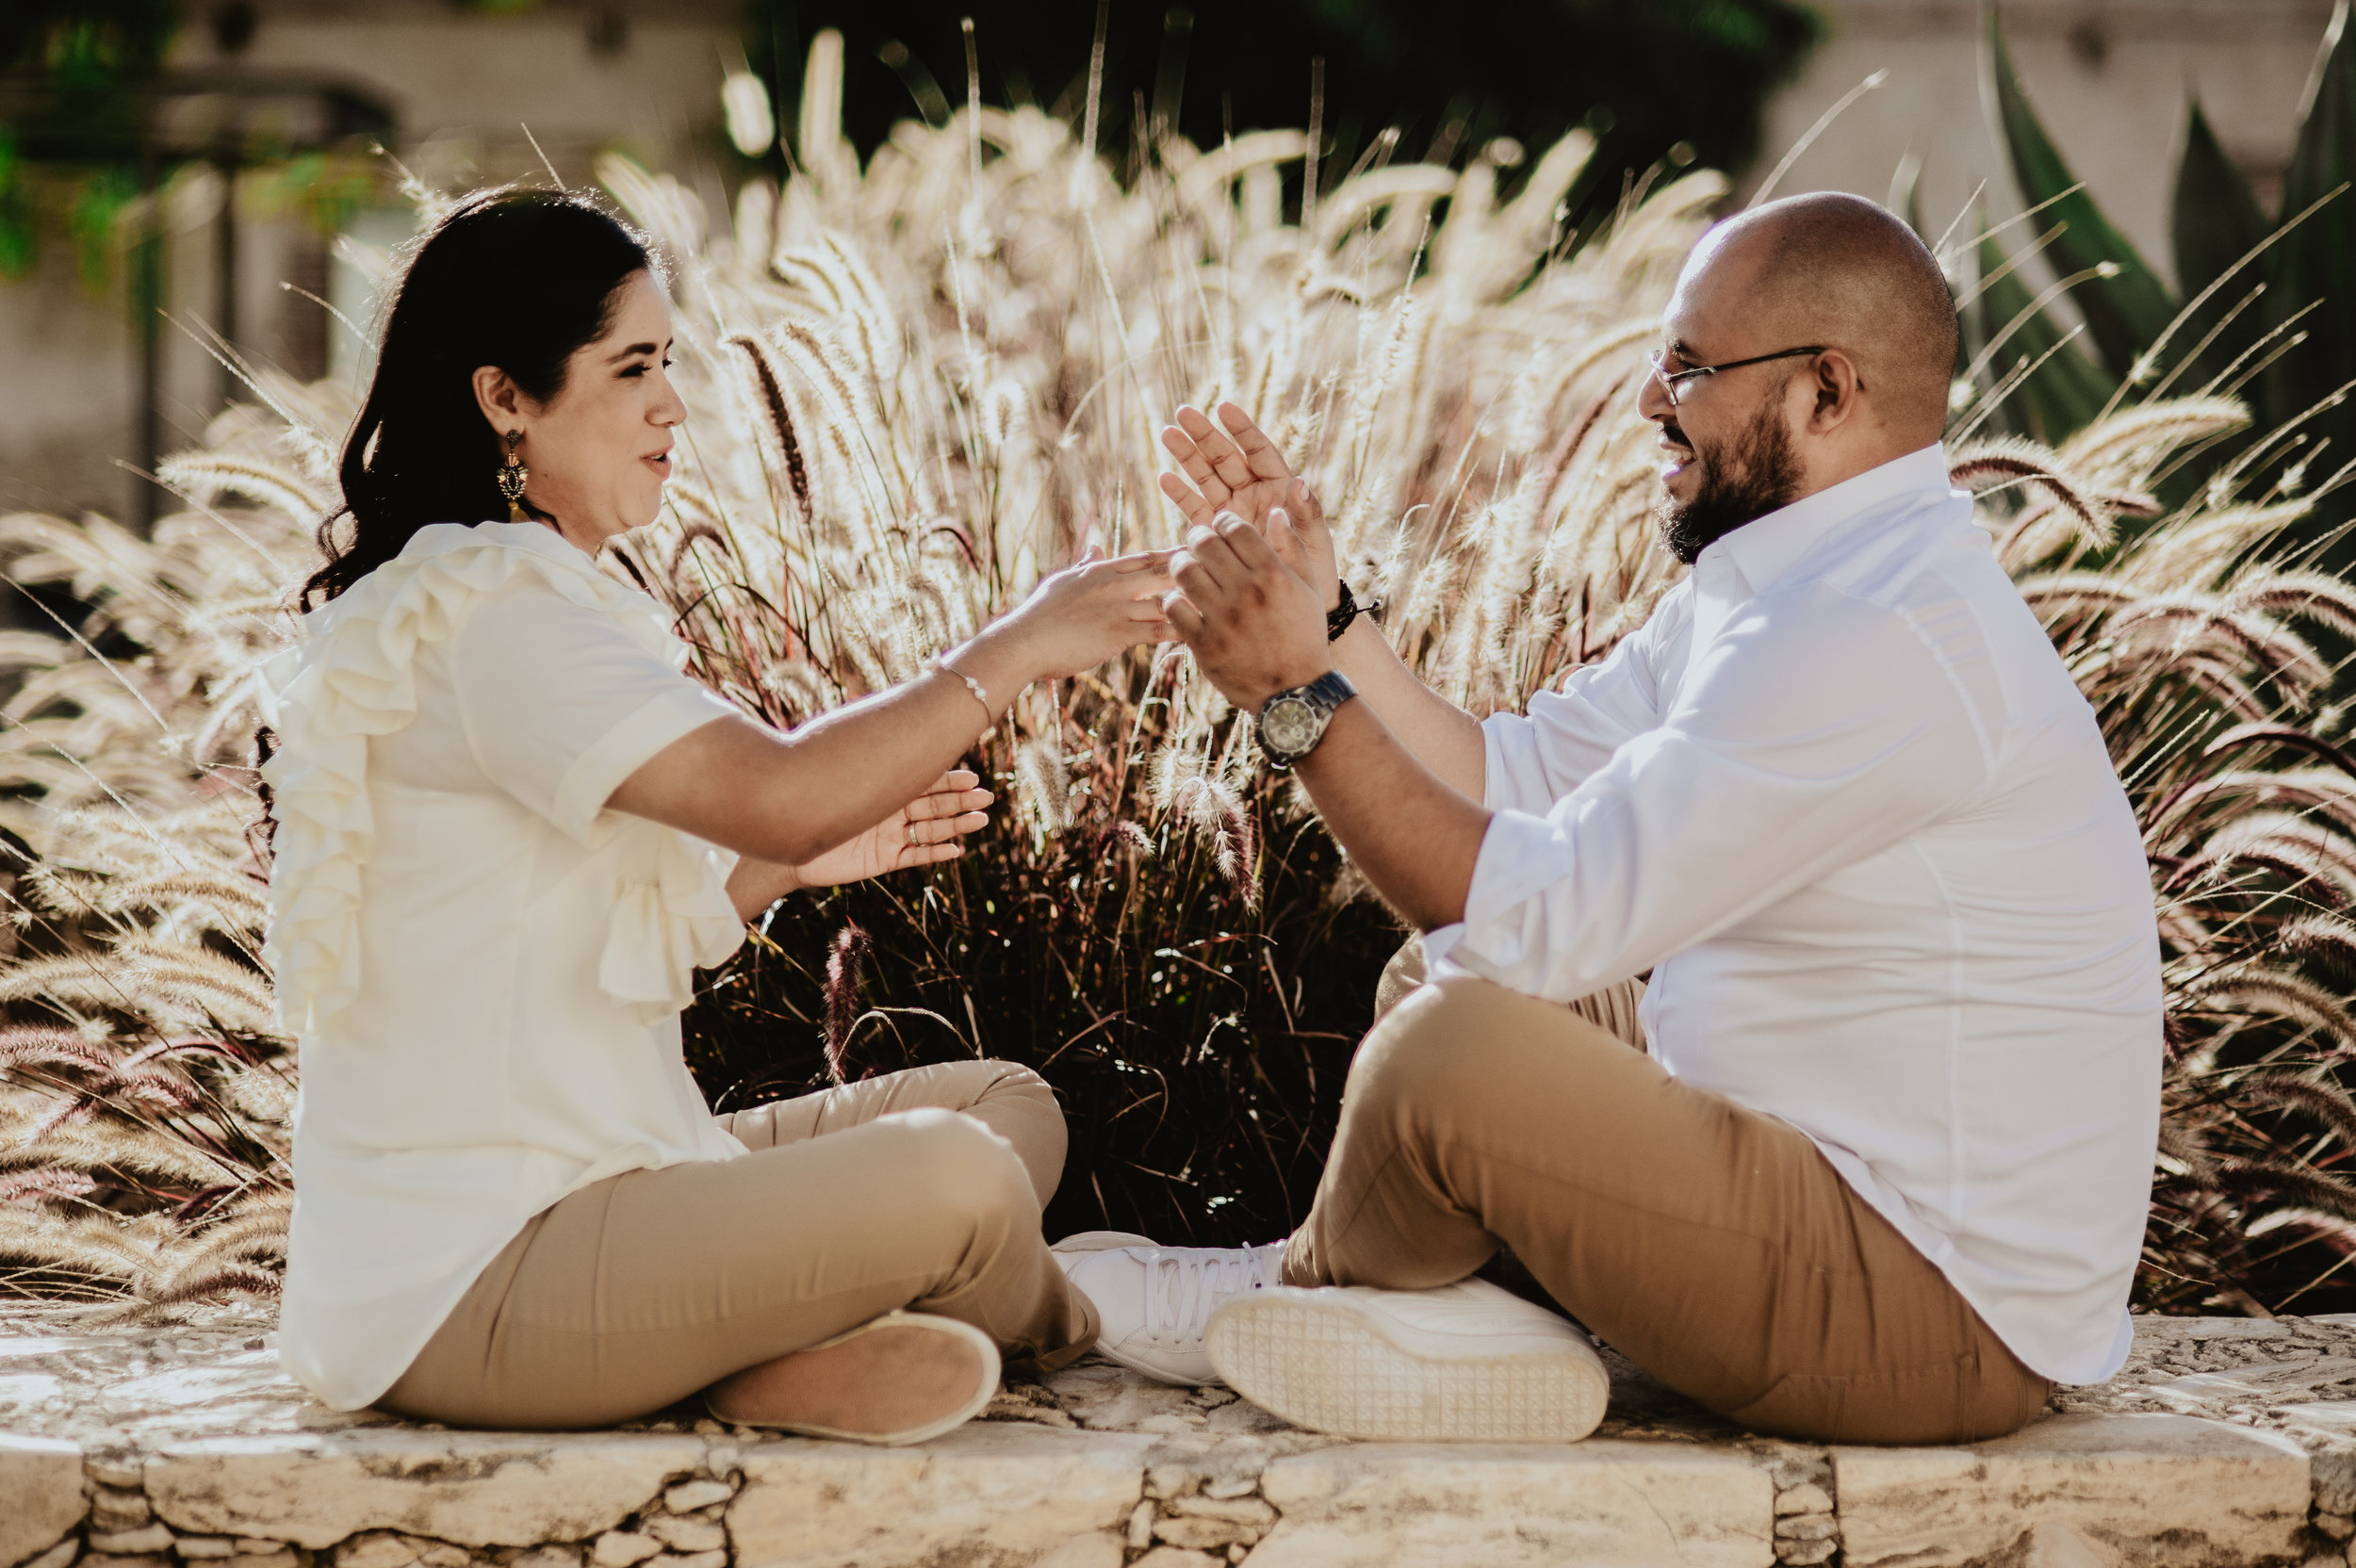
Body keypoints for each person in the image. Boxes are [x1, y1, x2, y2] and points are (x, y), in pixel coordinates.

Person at [1060, 191, 2162, 1446]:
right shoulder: (1799, 578)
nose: (1650, 401)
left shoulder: (1875, 632)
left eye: (1688, 369)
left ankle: (1287, 1291)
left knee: (1453, 1056)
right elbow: (1518, 784)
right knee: (1447, 981)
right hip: (1821, 1185)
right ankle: (1450, 1321)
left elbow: (1535, 918)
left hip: (1931, 1314)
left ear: (1827, 393)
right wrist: (1332, 626)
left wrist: (1291, 697)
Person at [264, 188, 1171, 1440]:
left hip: (602, 1187)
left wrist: (773, 869)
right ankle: (1093, 1318)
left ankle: (732, 1361)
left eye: (671, 365)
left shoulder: (500, 599)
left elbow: (577, 941)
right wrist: (1023, 642)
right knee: (962, 1183)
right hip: (475, 1280)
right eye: (632, 368)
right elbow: (781, 789)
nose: (671, 405)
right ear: (505, 400)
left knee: (1003, 1110)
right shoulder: (496, 618)